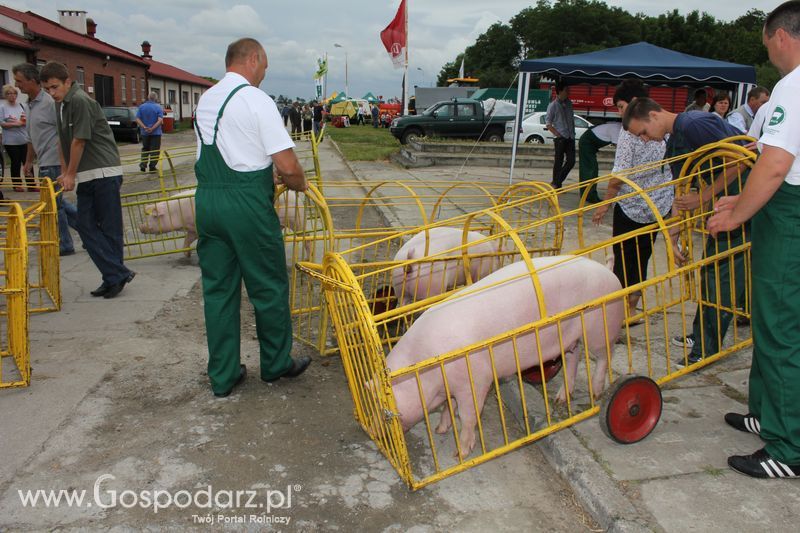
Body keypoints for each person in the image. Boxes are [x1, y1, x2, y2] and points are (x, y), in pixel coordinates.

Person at [707, 0, 800, 479]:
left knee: (781, 325)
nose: (770, 56)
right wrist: (739, 204)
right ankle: (766, 412)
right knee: (770, 318)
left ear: (780, 36)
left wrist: (735, 215)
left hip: (789, 213)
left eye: (768, 45)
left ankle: (789, 448)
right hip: (783, 206)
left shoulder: (793, 85)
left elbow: (776, 164)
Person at [194, 37, 311, 398]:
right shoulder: (256, 99)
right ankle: (275, 364)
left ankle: (223, 375)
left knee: (218, 291)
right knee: (268, 285)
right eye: (265, 65)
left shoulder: (206, 98)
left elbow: (232, 152)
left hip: (208, 202)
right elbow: (288, 165)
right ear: (254, 59)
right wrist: (299, 183)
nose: (264, 73)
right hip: (246, 206)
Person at [622, 97, 748, 369]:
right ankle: (702, 335)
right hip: (723, 206)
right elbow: (682, 189)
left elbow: (739, 162)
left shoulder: (694, 124)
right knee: (712, 273)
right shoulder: (675, 138)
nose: (644, 140)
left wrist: (703, 197)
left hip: (742, 203)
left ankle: (706, 349)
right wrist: (674, 234)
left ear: (654, 116)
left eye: (642, 132)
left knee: (720, 274)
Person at [40, 61, 135, 299]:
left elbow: (79, 141)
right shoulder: (61, 105)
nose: (52, 93)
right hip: (90, 174)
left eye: (55, 87)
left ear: (67, 82)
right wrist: (65, 171)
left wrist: (70, 174)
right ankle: (115, 274)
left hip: (103, 172)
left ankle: (113, 276)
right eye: (48, 89)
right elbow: (62, 141)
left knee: (107, 227)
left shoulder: (80, 101)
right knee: (86, 225)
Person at [592, 80, 674, 319]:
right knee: (642, 256)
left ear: (635, 103)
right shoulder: (666, 128)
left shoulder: (628, 134)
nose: (620, 112)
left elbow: (619, 174)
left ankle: (617, 314)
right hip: (656, 206)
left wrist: (605, 203)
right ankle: (631, 308)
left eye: (620, 106)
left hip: (632, 206)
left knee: (622, 259)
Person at [13, 62, 79, 256]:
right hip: (43, 161)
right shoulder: (29, 105)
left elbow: (63, 133)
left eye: (20, 81)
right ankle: (91, 230)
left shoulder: (50, 103)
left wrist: (66, 167)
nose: (18, 86)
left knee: (54, 206)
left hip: (54, 162)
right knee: (58, 204)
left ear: (33, 81)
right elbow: (31, 137)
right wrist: (28, 161)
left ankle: (66, 244)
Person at [578, 121, 622, 204]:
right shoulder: (617, 129)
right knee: (590, 170)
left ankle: (588, 195)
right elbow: (619, 150)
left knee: (592, 170)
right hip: (586, 143)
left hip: (590, 144)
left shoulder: (618, 126)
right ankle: (589, 196)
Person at [545, 81, 576, 189]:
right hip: (560, 138)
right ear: (560, 91)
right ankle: (557, 184)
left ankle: (556, 181)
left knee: (571, 161)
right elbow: (548, 123)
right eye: (566, 90)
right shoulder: (552, 105)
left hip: (571, 137)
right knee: (558, 161)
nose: (568, 92)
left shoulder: (569, 103)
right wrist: (557, 134)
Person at [1, 84, 31, 192]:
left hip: (24, 139)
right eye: (9, 93)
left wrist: (20, 122)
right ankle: (17, 184)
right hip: (10, 141)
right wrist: (17, 124)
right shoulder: (2, 108)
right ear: (5, 95)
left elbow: (28, 120)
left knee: (27, 161)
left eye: (14, 93)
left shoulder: (22, 106)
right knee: (15, 162)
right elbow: (2, 124)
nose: (12, 95)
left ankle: (31, 184)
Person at [135, 92, 164, 172]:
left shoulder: (141, 107)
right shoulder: (158, 107)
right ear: (155, 98)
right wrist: (152, 128)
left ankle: (143, 165)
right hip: (156, 133)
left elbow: (137, 119)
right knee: (154, 150)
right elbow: (160, 120)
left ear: (148, 97)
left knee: (145, 148)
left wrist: (144, 127)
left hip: (144, 133)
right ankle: (152, 166)